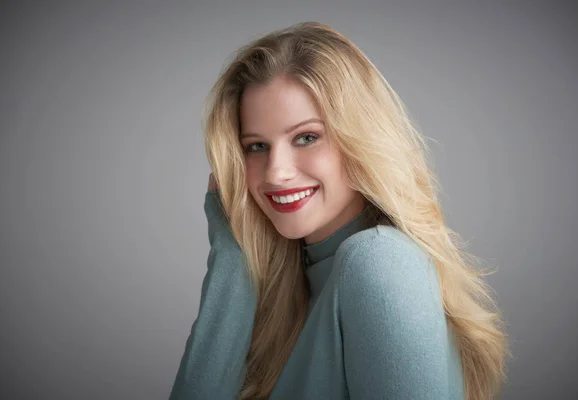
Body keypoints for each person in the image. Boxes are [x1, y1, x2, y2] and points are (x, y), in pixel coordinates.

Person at [169, 22, 509, 400]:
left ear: (361, 141)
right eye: (256, 146)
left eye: (307, 137)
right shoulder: (291, 289)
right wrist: (232, 254)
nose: (277, 172)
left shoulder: (380, 262)